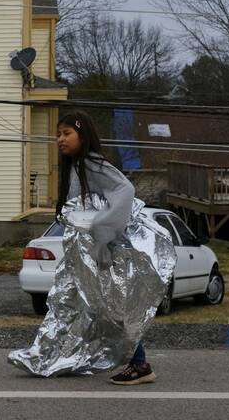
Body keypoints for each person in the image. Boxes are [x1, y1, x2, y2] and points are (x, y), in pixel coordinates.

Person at [53, 111, 154, 385]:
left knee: (113, 308)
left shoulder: (92, 163)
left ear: (82, 135)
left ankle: (140, 364)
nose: (60, 139)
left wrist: (102, 230)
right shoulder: (77, 166)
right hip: (87, 252)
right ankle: (72, 356)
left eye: (67, 133)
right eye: (58, 134)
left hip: (104, 252)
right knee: (81, 304)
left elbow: (125, 190)